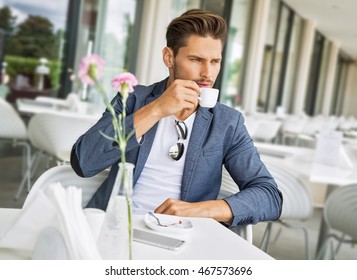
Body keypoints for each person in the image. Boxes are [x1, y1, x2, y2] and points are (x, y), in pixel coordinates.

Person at [71, 9, 282, 227]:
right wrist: (156, 110)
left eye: (215, 61)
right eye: (196, 59)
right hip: (113, 226)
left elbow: (269, 196)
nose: (208, 73)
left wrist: (198, 210)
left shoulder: (227, 123)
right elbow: (84, 162)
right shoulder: (133, 99)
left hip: (182, 236)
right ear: (169, 57)